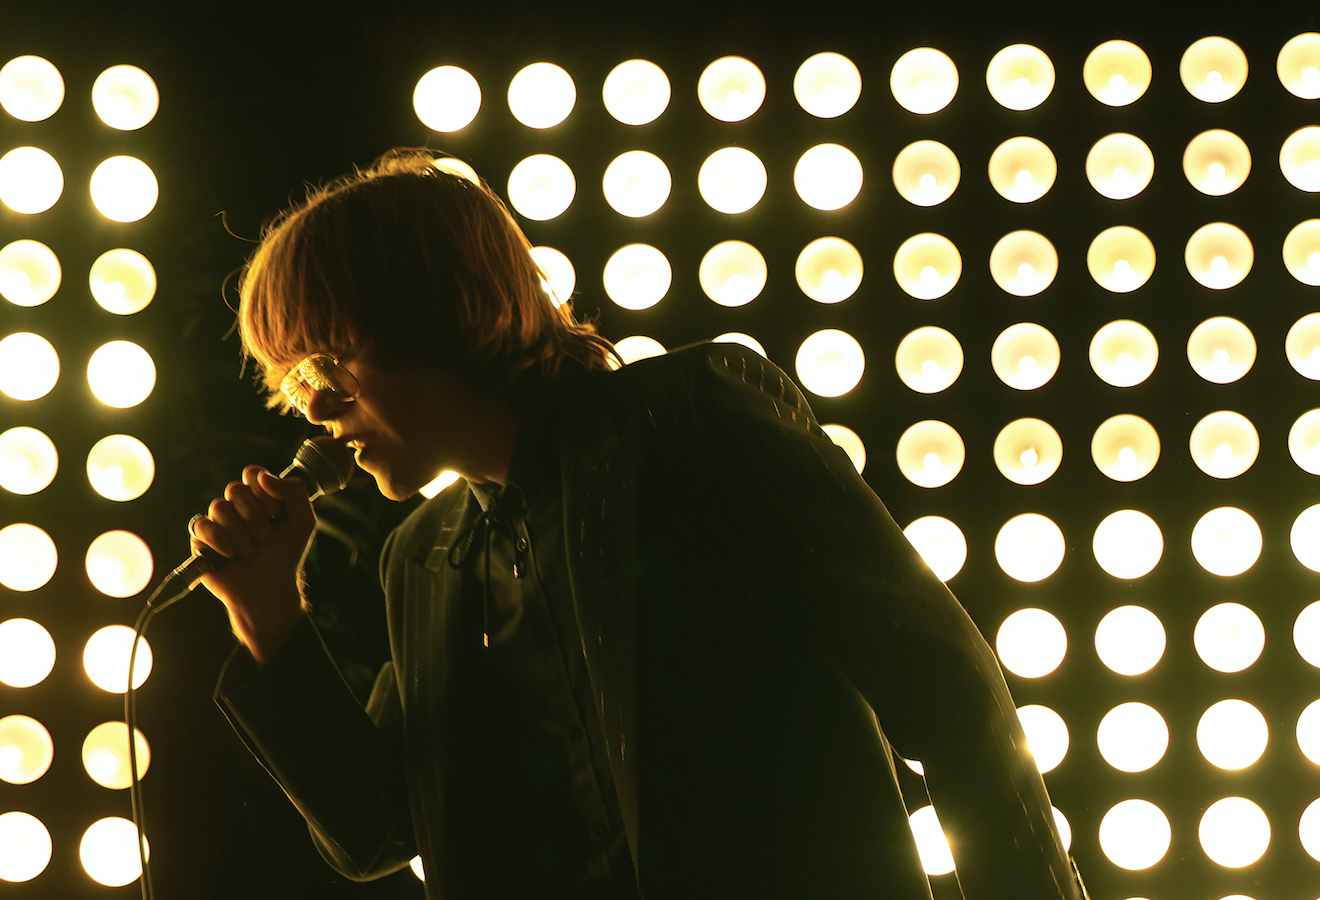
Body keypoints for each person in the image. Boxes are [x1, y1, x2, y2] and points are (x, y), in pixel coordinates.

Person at [192, 148, 1089, 899]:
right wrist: (270, 618)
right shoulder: (420, 558)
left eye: (326, 367)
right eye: (294, 385)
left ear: (426, 314)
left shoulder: (691, 421)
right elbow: (378, 831)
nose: (314, 411)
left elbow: (948, 697)